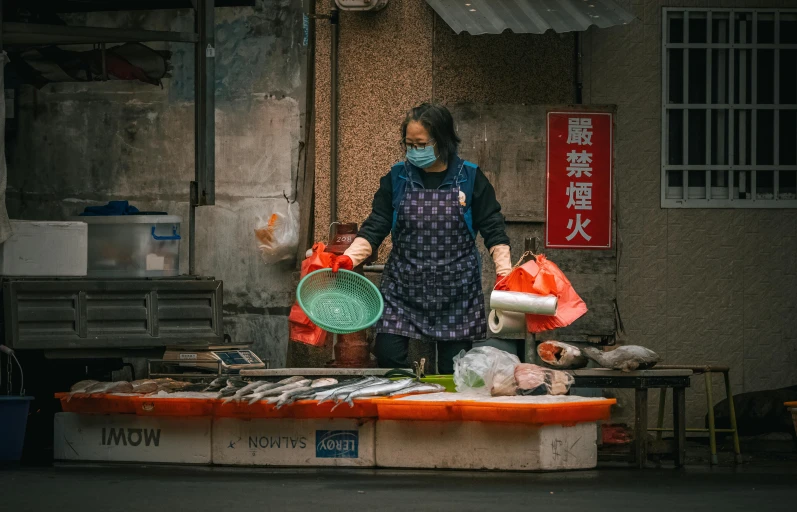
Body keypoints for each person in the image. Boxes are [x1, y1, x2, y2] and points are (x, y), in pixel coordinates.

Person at [331, 103, 512, 374]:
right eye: (409, 144)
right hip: (404, 288)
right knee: (387, 354)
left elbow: (493, 228)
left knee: (456, 368)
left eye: (421, 144)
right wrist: (348, 258)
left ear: (443, 140)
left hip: (457, 291)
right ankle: (409, 399)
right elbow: (376, 225)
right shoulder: (397, 177)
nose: (415, 151)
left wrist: (505, 272)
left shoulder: (470, 178)